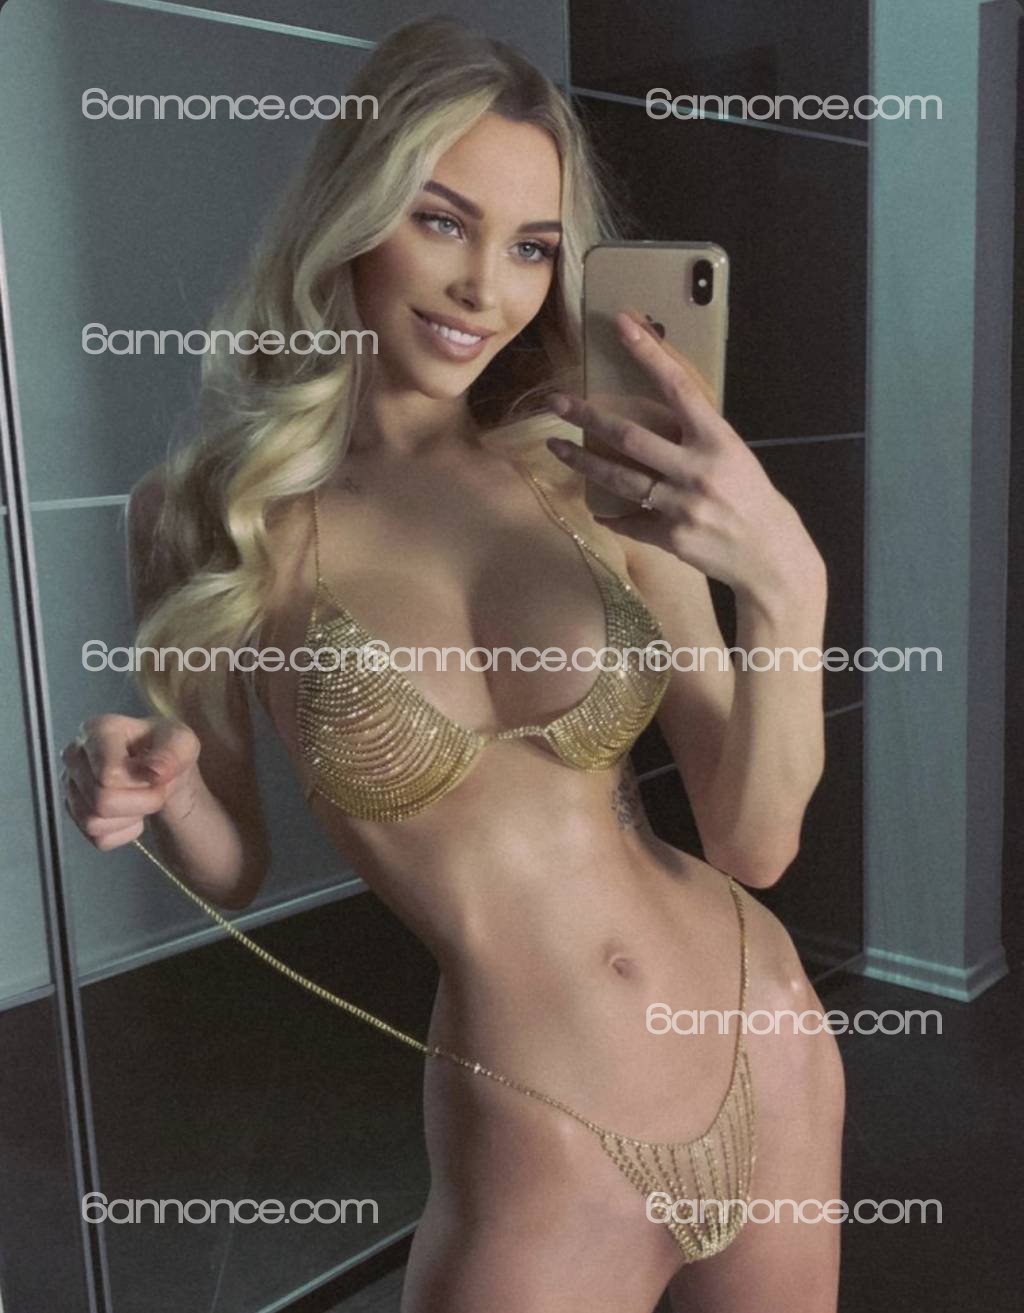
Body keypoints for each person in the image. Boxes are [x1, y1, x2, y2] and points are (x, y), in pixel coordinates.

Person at [59, 16, 845, 1312]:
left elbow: (752, 841)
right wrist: (163, 787)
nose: (487, 286)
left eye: (532, 246)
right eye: (442, 221)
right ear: (353, 215)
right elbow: (232, 863)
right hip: (539, 1134)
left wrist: (788, 587)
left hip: (763, 1028)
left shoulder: (587, 468)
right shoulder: (205, 514)